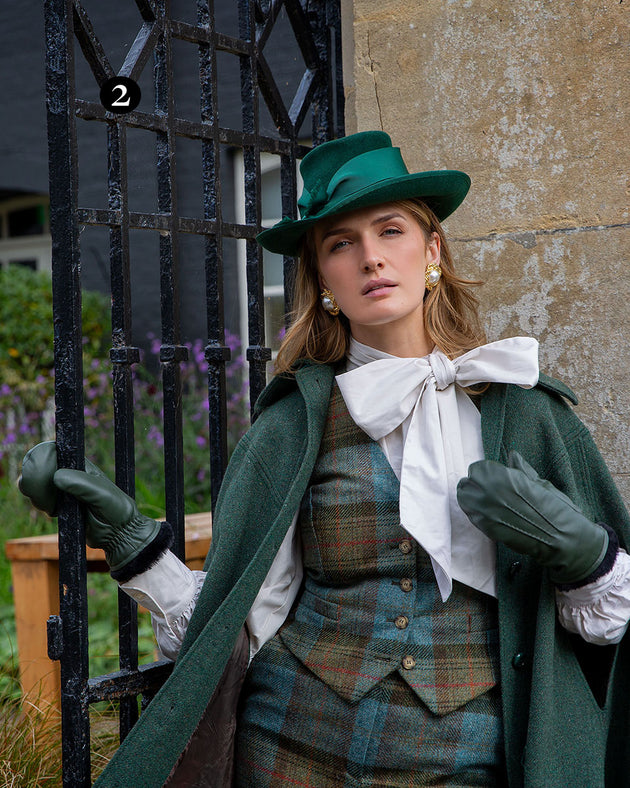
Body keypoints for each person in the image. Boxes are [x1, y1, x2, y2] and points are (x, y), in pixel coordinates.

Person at [19, 131, 630, 787]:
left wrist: (582, 555)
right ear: (323, 277)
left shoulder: (527, 413)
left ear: (431, 251)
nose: (370, 258)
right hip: (290, 750)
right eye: (342, 243)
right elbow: (232, 625)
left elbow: (608, 629)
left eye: (390, 231)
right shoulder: (291, 426)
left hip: (463, 761)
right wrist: (129, 540)